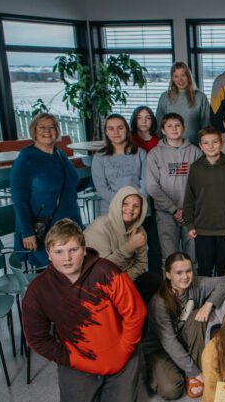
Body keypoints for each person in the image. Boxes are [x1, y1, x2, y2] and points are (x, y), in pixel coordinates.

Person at [22, 219, 146, 402]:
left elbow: (135, 313)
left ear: (84, 248)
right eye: (59, 251)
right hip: (79, 359)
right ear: (48, 254)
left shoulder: (107, 271)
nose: (67, 258)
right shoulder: (38, 290)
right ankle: (93, 386)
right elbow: (36, 337)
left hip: (120, 353)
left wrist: (125, 348)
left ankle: (117, 377)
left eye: (73, 250)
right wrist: (68, 359)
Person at [144, 252, 225, 400]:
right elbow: (169, 343)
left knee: (198, 317)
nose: (185, 276)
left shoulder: (196, 284)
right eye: (179, 273)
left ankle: (190, 372)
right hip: (161, 349)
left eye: (188, 271)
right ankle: (169, 370)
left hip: (184, 340)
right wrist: (196, 373)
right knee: (171, 390)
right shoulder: (159, 302)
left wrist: (208, 305)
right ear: (168, 275)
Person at [11, 113, 82, 267]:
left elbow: (72, 185)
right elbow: (19, 200)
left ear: (57, 131)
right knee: (54, 277)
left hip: (70, 228)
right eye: (42, 127)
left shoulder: (60, 154)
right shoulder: (26, 159)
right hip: (44, 232)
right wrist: (27, 233)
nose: (47, 131)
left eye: (52, 127)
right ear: (34, 131)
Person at [183, 127, 225, 277]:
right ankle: (206, 300)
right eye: (206, 143)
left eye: (214, 142)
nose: (211, 146)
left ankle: (222, 300)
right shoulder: (196, 168)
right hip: (202, 229)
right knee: (204, 269)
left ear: (221, 144)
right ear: (201, 146)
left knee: (224, 269)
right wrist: (189, 223)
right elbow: (189, 198)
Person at [83, 186, 161, 303]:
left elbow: (141, 264)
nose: (130, 209)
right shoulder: (99, 228)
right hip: (97, 285)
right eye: (125, 203)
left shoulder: (140, 231)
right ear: (117, 204)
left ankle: (146, 320)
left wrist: (123, 282)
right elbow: (102, 272)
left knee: (155, 281)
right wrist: (130, 247)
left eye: (136, 206)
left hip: (122, 279)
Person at [146, 113, 201, 266]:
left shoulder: (195, 152)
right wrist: (174, 210)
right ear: (163, 131)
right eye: (169, 126)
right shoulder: (155, 154)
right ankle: (170, 290)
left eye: (177, 125)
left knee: (192, 257)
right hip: (165, 214)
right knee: (169, 258)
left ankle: (192, 290)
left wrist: (189, 210)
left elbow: (201, 183)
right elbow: (152, 187)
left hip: (191, 214)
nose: (174, 129)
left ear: (183, 128)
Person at [91, 113, 146, 216]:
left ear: (127, 130)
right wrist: (123, 203)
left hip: (137, 207)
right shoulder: (99, 158)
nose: (116, 132)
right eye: (111, 129)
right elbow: (101, 188)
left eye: (120, 128)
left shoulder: (141, 154)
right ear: (106, 132)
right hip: (111, 209)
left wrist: (133, 203)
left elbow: (146, 183)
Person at [130, 106, 162, 274]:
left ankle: (155, 278)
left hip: (155, 198)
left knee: (155, 243)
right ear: (135, 120)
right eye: (140, 117)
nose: (144, 121)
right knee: (135, 242)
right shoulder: (129, 141)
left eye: (148, 117)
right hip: (135, 197)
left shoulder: (159, 142)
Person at [156, 61, 211, 145]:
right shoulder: (164, 98)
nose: (180, 80)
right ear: (172, 79)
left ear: (188, 77)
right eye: (176, 76)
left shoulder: (200, 97)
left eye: (183, 75)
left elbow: (206, 125)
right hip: (170, 147)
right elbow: (159, 125)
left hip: (195, 147)